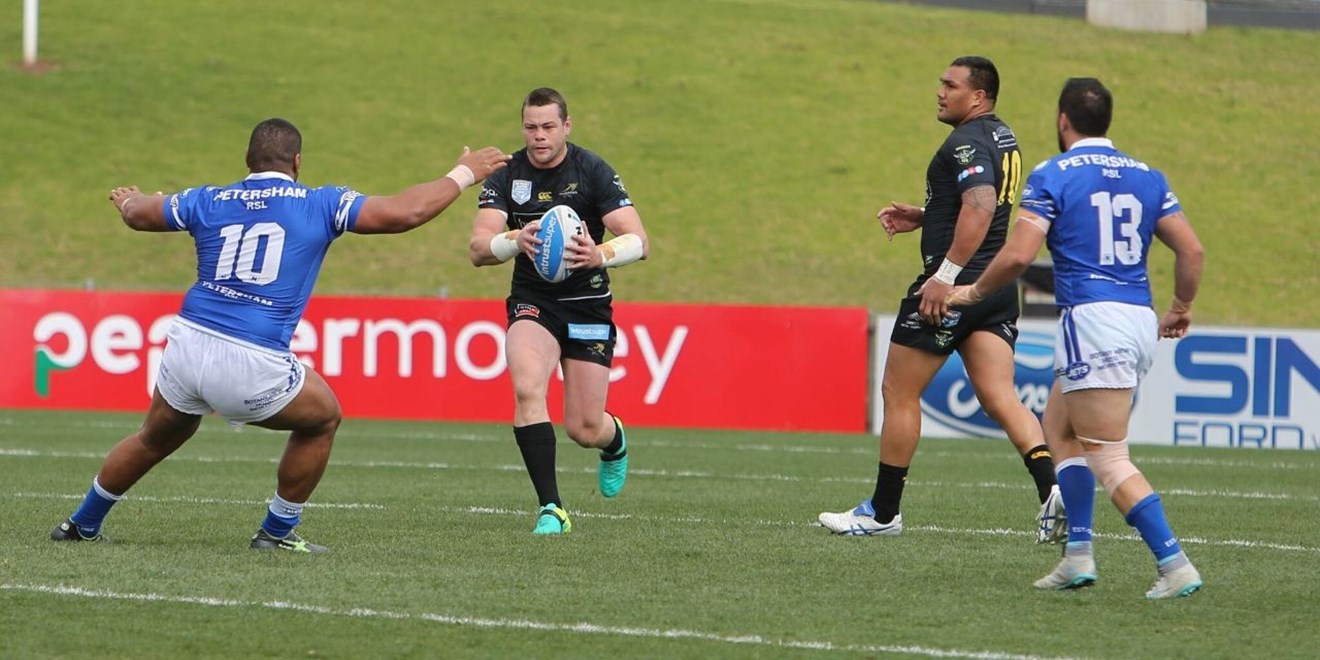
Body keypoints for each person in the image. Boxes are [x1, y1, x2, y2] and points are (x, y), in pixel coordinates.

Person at [51, 118, 510, 552]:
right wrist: (464, 173)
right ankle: (277, 531)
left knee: (155, 436)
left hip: (187, 342)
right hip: (250, 353)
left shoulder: (208, 199)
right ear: (297, 162)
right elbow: (406, 213)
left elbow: (139, 214)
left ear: (247, 160)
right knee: (322, 418)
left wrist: (129, 200)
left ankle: (81, 523)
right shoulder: (320, 203)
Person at [947, 77, 1205, 598]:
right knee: (1059, 429)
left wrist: (971, 292)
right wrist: (1181, 307)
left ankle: (1175, 564)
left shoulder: (1054, 173)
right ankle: (1078, 556)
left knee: (1108, 456)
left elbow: (1019, 255)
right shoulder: (1148, 176)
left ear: (1063, 120)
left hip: (1092, 321)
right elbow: (1191, 251)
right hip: (1136, 317)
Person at [819, 56, 1062, 539]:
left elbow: (980, 205)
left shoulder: (964, 141)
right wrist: (927, 214)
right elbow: (981, 203)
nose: (940, 91)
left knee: (899, 393)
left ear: (978, 96)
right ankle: (1053, 490)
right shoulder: (1002, 135)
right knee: (1001, 398)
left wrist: (943, 277)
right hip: (993, 289)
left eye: (951, 85)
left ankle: (883, 514)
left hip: (951, 290)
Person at [468, 87, 649, 535]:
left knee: (585, 429)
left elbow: (638, 240)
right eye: (531, 127)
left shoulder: (593, 170)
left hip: (587, 305)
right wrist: (515, 240)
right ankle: (552, 508)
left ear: (566, 126)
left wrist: (600, 254)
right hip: (534, 302)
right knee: (528, 387)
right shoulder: (507, 175)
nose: (539, 136)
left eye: (548, 126)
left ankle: (614, 440)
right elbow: (478, 248)